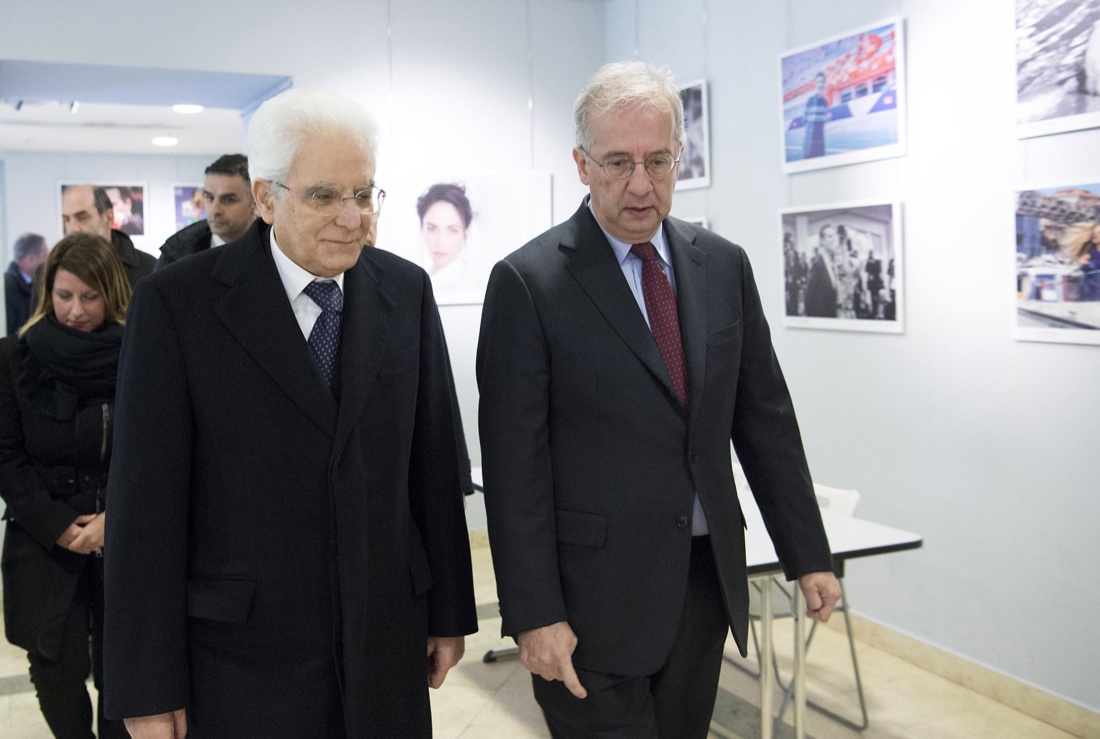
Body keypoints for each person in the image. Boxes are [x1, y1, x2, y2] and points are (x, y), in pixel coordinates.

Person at [476, 60, 840, 739]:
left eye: (658, 161)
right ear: (582, 165)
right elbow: (513, 468)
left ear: (679, 156)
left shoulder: (722, 265)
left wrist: (808, 552)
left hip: (701, 584)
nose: (641, 184)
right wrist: (534, 613)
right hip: (588, 601)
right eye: (618, 163)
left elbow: (764, 419)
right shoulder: (530, 283)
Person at [102, 88, 477, 738]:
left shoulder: (406, 290)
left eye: (363, 194)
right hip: (241, 661)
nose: (352, 218)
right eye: (324, 196)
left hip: (384, 643)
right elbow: (145, 507)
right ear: (267, 197)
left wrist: (448, 611)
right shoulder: (178, 305)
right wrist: (147, 685)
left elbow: (434, 466)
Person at [0, 232, 132, 739]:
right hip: (43, 535)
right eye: (64, 295)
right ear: (46, 293)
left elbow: (153, 454)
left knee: (124, 668)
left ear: (111, 294)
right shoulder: (15, 358)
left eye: (89, 296)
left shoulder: (139, 355)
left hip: (120, 531)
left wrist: (112, 520)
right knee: (54, 665)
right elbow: (7, 457)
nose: (75, 310)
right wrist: (57, 524)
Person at [156, 154, 258, 270]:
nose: (215, 210)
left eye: (229, 200)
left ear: (255, 202)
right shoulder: (175, 254)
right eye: (209, 198)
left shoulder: (272, 250)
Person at [60, 184, 155, 289]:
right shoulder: (55, 268)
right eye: (66, 219)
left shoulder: (149, 269)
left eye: (82, 217)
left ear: (108, 218)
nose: (73, 229)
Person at [416, 182, 475, 290]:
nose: (440, 242)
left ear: (466, 231)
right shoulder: (423, 277)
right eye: (432, 229)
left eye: (452, 231)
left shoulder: (465, 288)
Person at [5, 232, 48, 334]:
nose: (48, 260)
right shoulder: (7, 287)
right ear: (31, 259)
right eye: (45, 255)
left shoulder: (37, 283)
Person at [804, 223, 840, 317]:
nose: (833, 239)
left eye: (834, 236)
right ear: (822, 241)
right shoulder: (818, 265)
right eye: (829, 236)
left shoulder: (831, 264)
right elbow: (809, 298)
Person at [802, 72, 829, 159]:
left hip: (820, 145)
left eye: (822, 82)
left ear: (825, 84)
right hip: (809, 146)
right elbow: (804, 120)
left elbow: (823, 122)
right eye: (818, 82)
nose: (820, 84)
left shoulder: (825, 102)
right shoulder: (810, 100)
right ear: (815, 84)